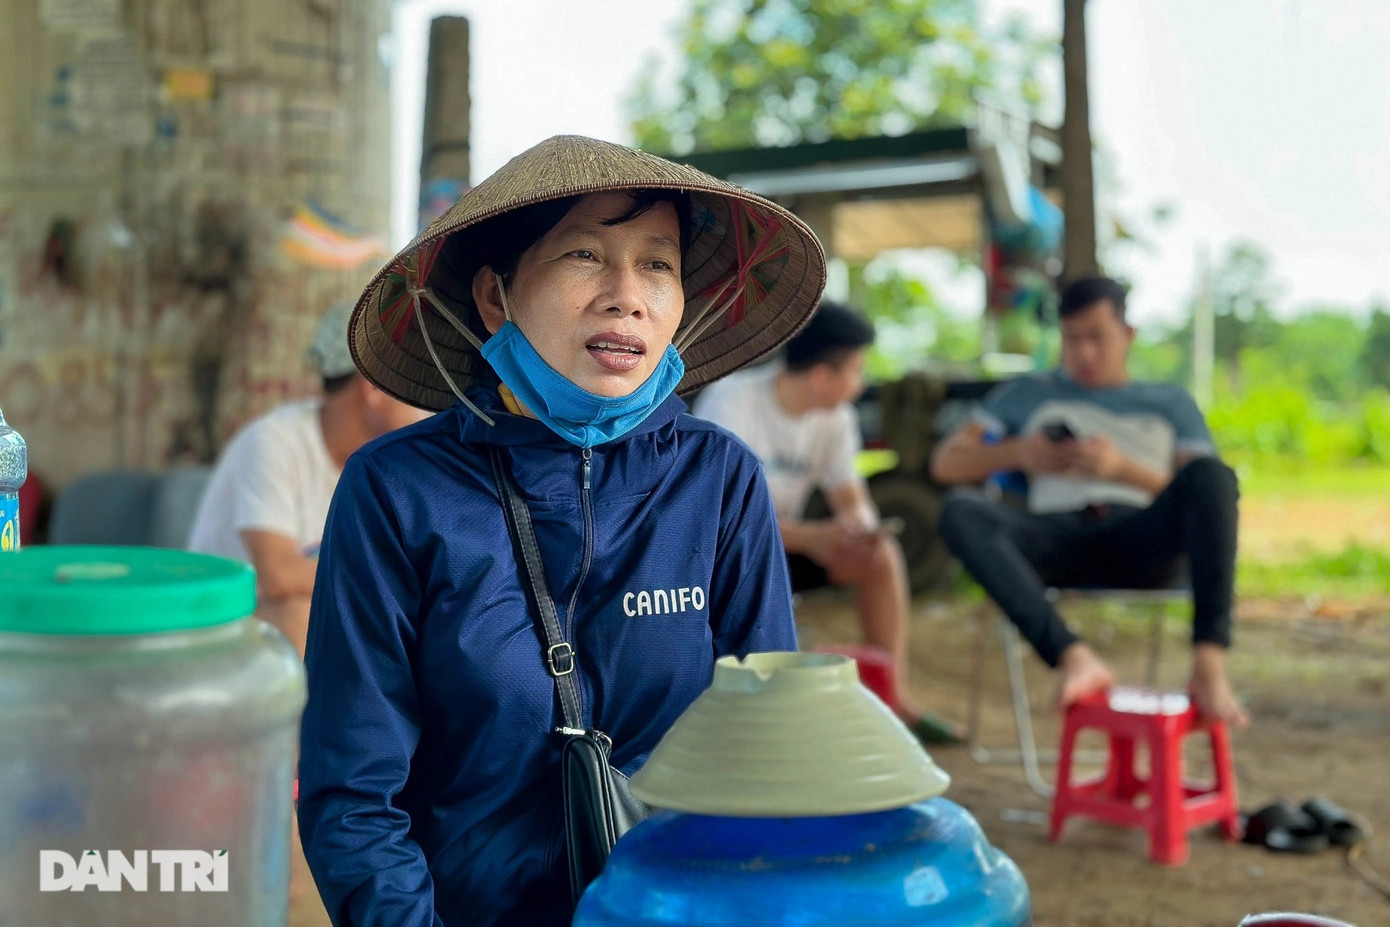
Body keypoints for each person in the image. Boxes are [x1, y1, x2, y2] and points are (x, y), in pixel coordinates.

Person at [295, 135, 827, 926]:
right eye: (585, 254)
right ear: (494, 297)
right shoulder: (397, 490)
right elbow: (354, 791)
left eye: (657, 263)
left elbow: (769, 745)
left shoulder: (719, 480)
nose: (627, 296)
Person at [930, 275, 1247, 727]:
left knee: (1214, 474)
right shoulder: (1028, 393)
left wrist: (1122, 470)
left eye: (1097, 338)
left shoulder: (1170, 402)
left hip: (1140, 539)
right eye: (1072, 339)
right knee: (961, 509)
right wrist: (1017, 453)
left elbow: (1204, 500)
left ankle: (1209, 665)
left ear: (1128, 334)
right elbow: (945, 463)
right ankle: (1073, 657)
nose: (1084, 353)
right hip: (1052, 538)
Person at [693, 300, 964, 743]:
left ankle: (893, 697)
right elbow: (718, 516)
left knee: (880, 554)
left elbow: (851, 497)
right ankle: (753, 714)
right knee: (748, 544)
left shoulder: (835, 418)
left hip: (789, 548)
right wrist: (813, 537)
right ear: (822, 376)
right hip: (724, 558)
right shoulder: (733, 400)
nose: (860, 385)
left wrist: (861, 528)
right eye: (856, 371)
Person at [186, 302, 427, 656]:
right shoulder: (272, 441)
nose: (427, 403)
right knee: (301, 614)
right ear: (373, 387)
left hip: (285, 639)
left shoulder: (392, 467)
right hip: (212, 631)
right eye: (416, 381)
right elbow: (278, 575)